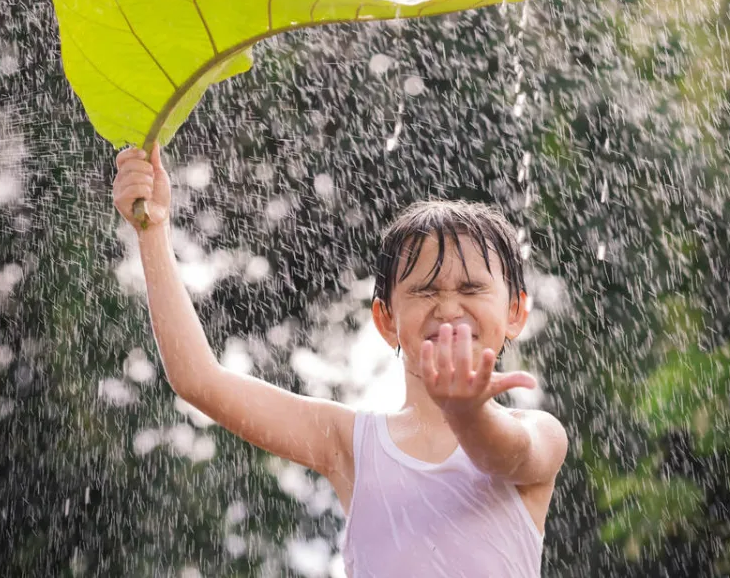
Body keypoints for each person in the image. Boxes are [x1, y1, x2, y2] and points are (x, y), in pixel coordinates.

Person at [112, 143, 568, 577]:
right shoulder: (352, 444)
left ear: (515, 312)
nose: (448, 308)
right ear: (386, 319)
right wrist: (154, 231)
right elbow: (199, 381)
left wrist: (467, 413)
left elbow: (508, 456)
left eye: (471, 289)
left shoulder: (539, 432)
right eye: (425, 291)